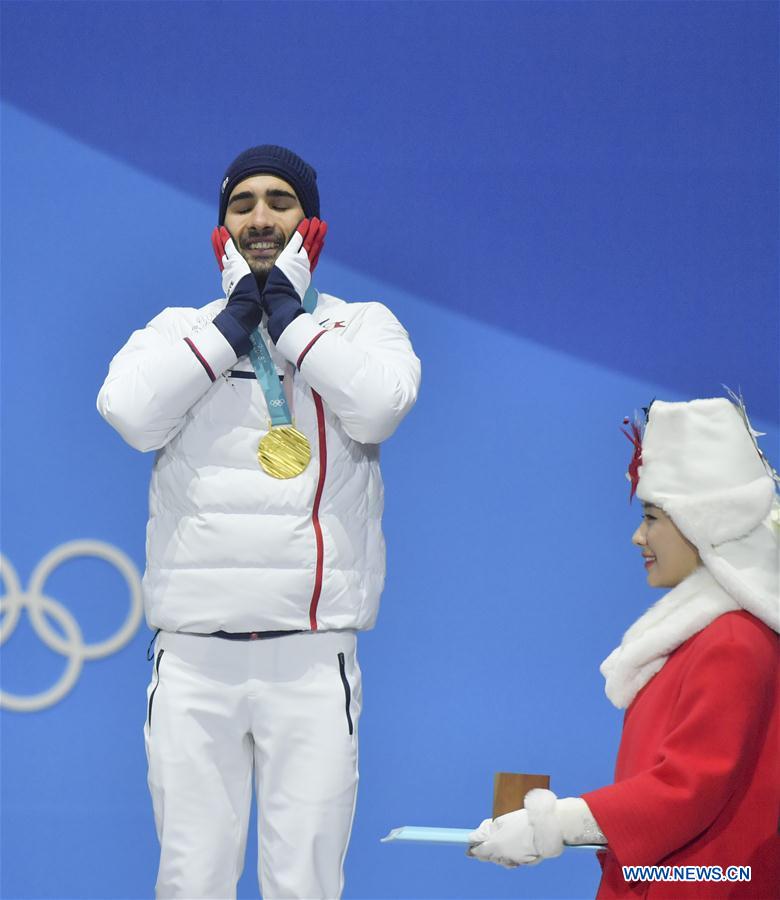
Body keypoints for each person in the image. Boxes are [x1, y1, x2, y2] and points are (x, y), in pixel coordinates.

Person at [97, 144, 420, 899]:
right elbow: (132, 416)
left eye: (281, 201)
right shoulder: (180, 328)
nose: (261, 217)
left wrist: (290, 321)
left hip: (310, 658)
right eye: (242, 205)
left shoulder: (360, 326)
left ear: (313, 224)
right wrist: (236, 321)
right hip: (193, 659)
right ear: (222, 230)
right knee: (190, 881)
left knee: (304, 884)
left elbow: (378, 410)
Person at [468, 396, 779, 897]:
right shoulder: (707, 640)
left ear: (705, 522)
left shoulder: (733, 641)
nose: (638, 536)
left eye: (652, 517)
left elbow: (687, 789)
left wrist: (555, 824)